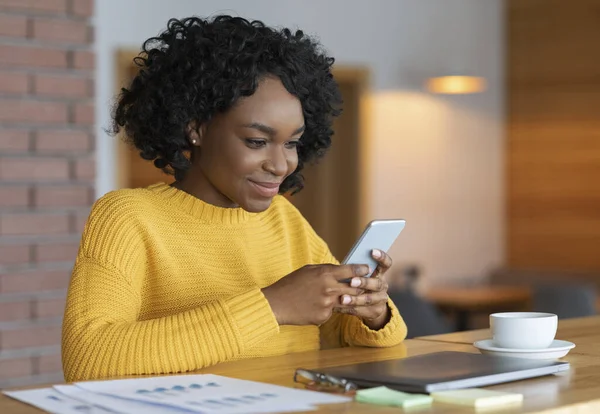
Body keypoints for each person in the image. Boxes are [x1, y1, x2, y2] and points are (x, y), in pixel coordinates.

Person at [62, 15, 407, 382]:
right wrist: (272, 306)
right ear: (196, 128)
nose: (281, 164)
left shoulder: (283, 220)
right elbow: (89, 359)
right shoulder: (127, 218)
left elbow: (343, 338)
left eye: (291, 143)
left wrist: (371, 314)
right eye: (257, 142)